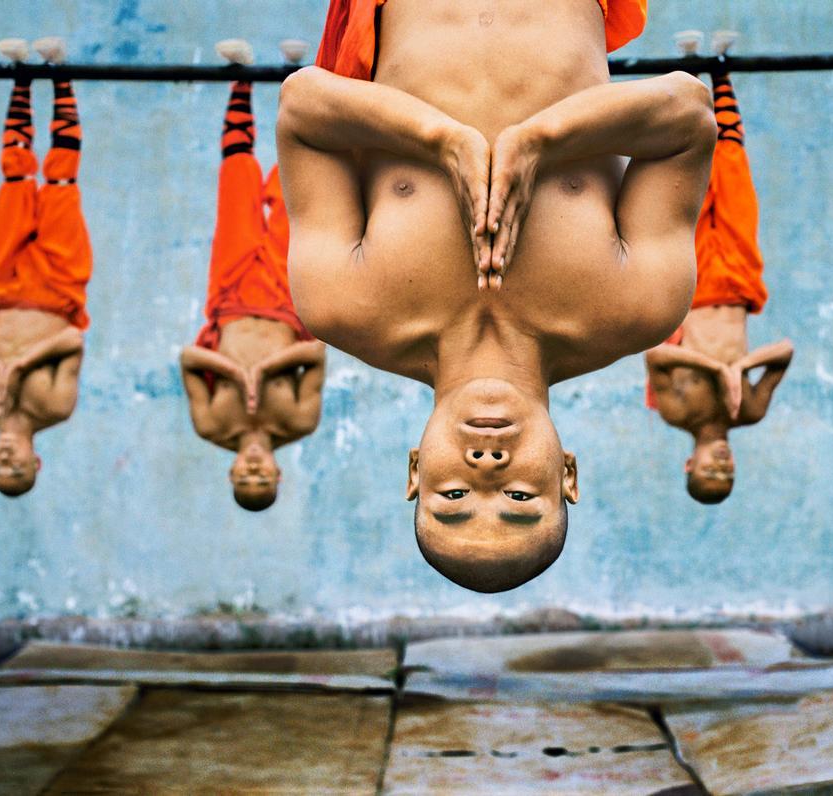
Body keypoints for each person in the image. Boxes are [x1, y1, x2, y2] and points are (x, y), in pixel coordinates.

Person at [276, 0, 714, 591]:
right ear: (567, 476)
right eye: (519, 497)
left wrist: (439, 140)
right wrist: (541, 140)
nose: (486, 468)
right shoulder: (639, 307)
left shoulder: (341, 304)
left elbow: (302, 105)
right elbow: (688, 112)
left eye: (452, 496)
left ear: (414, 470)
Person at [644, 31, 793, 505]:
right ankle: (721, 68)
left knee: (689, 181)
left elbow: (656, 358)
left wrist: (713, 366)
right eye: (728, 475)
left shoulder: (675, 411)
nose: (722, 465)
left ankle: (688, 70)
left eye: (710, 471)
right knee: (731, 174)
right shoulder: (748, 409)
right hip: (738, 281)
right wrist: (741, 369)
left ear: (690, 463)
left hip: (689, 282)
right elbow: (785, 352)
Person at [179, 41, 326, 512]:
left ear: (233, 472)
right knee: (291, 192)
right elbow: (317, 353)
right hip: (286, 298)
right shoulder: (300, 421)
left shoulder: (211, 425)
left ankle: (239, 81)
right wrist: (263, 371)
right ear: (278, 473)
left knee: (237, 190)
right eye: (264, 478)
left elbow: (187, 359)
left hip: (231, 297)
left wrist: (234, 372)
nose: (255, 470)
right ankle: (293, 76)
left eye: (246, 477)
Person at [0, 37, 91, 497]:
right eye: (18, 470)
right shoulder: (54, 409)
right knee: (59, 180)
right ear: (37, 461)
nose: (6, 462)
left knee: (15, 179)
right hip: (58, 287)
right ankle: (61, 74)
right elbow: (72, 340)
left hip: (6, 286)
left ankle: (21, 78)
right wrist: (20, 367)